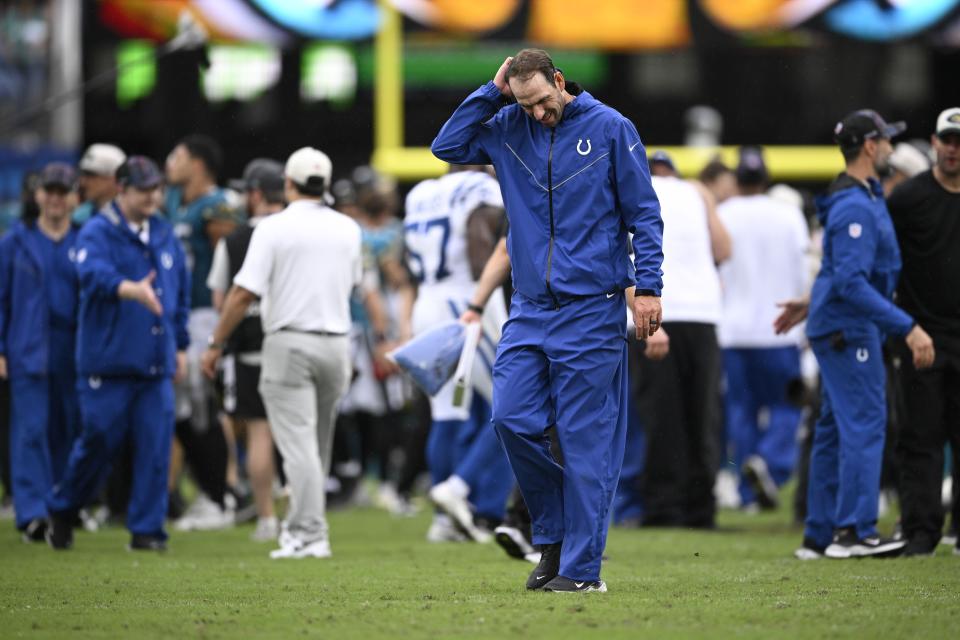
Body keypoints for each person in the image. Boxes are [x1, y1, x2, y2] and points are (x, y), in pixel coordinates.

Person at [431, 48, 663, 592]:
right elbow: (446, 146)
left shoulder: (612, 127)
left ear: (559, 81)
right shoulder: (507, 123)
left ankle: (582, 572)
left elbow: (644, 213)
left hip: (592, 309)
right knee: (509, 420)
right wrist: (493, 93)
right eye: (525, 103)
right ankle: (555, 535)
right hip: (529, 311)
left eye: (542, 101)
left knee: (586, 444)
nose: (537, 113)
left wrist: (648, 288)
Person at [777, 110, 935, 560]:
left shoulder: (856, 196)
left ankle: (819, 535)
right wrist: (909, 327)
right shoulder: (854, 204)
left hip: (838, 323)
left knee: (831, 427)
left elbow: (836, 272)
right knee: (865, 424)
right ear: (870, 146)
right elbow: (851, 282)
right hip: (850, 329)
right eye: (885, 140)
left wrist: (811, 304)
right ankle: (855, 532)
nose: (889, 148)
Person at [201, 147, 361, 560]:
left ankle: (309, 533)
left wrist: (216, 342)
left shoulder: (272, 228)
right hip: (336, 342)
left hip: (290, 341)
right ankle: (309, 528)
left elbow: (242, 294)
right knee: (316, 446)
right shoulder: (348, 228)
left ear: (288, 184)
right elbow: (354, 284)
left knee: (299, 447)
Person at [45, 156, 190, 551]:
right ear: (122, 189)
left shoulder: (164, 233)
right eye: (143, 189)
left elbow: (179, 291)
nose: (152, 196)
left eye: (157, 189)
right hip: (107, 362)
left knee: (155, 447)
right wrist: (129, 289)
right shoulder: (96, 232)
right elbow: (91, 275)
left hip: (155, 362)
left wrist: (181, 344)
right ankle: (63, 507)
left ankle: (146, 530)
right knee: (98, 443)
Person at [402, 164, 512, 544]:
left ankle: (443, 521)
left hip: (426, 303)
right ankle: (459, 487)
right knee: (517, 403)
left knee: (446, 414)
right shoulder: (480, 186)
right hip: (467, 302)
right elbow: (487, 239)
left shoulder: (419, 193)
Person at [633, 151, 730, 529]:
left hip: (655, 311)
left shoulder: (633, 188)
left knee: (660, 417)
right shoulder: (697, 191)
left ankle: (661, 507)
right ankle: (700, 508)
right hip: (702, 314)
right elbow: (724, 249)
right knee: (702, 415)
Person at [717, 146, 810, 511]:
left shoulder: (723, 213)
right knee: (788, 406)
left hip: (734, 330)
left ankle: (746, 491)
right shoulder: (788, 216)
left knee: (741, 410)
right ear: (766, 178)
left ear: (737, 179)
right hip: (779, 329)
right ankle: (771, 464)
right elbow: (804, 272)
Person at [888, 107, 960, 557]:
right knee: (920, 439)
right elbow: (880, 263)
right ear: (934, 143)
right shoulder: (908, 199)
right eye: (948, 140)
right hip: (922, 337)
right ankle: (920, 532)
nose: (954, 149)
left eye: (959, 142)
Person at [0, 163, 82, 542]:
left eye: (62, 192)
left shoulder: (84, 242)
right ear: (38, 196)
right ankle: (32, 513)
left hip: (73, 350)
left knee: (66, 430)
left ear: (74, 199)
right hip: (27, 347)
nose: (55, 198)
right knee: (30, 431)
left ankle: (59, 507)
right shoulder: (13, 243)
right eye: (49, 191)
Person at [206, 158, 286, 542]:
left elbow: (223, 299)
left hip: (249, 349)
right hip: (294, 343)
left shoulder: (234, 239)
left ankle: (268, 518)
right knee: (302, 435)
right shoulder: (299, 231)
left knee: (259, 434)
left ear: (255, 194)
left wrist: (215, 346)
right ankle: (305, 514)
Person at [164, 134, 238, 530]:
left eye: (177, 155)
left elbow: (231, 265)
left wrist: (224, 324)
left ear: (197, 163)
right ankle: (209, 492)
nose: (169, 162)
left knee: (203, 408)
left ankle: (221, 493)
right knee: (182, 410)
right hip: (180, 314)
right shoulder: (175, 202)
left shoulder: (218, 205)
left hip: (207, 315)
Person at [73, 143, 126, 224]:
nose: (83, 182)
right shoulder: (78, 218)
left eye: (91, 175)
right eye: (83, 174)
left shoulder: (138, 216)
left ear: (113, 178)